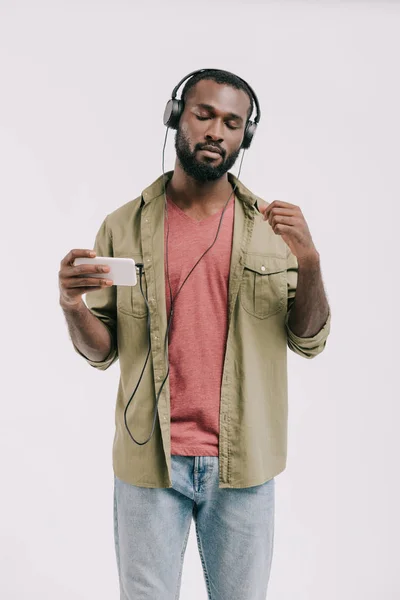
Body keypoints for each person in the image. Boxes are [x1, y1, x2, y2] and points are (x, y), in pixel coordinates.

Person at [59, 68, 331, 600]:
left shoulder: (276, 232)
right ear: (176, 117)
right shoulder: (123, 226)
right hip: (149, 464)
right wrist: (71, 304)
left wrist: (311, 262)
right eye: (204, 115)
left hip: (245, 466)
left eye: (232, 123)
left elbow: (309, 339)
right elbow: (103, 349)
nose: (216, 132)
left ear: (244, 137)